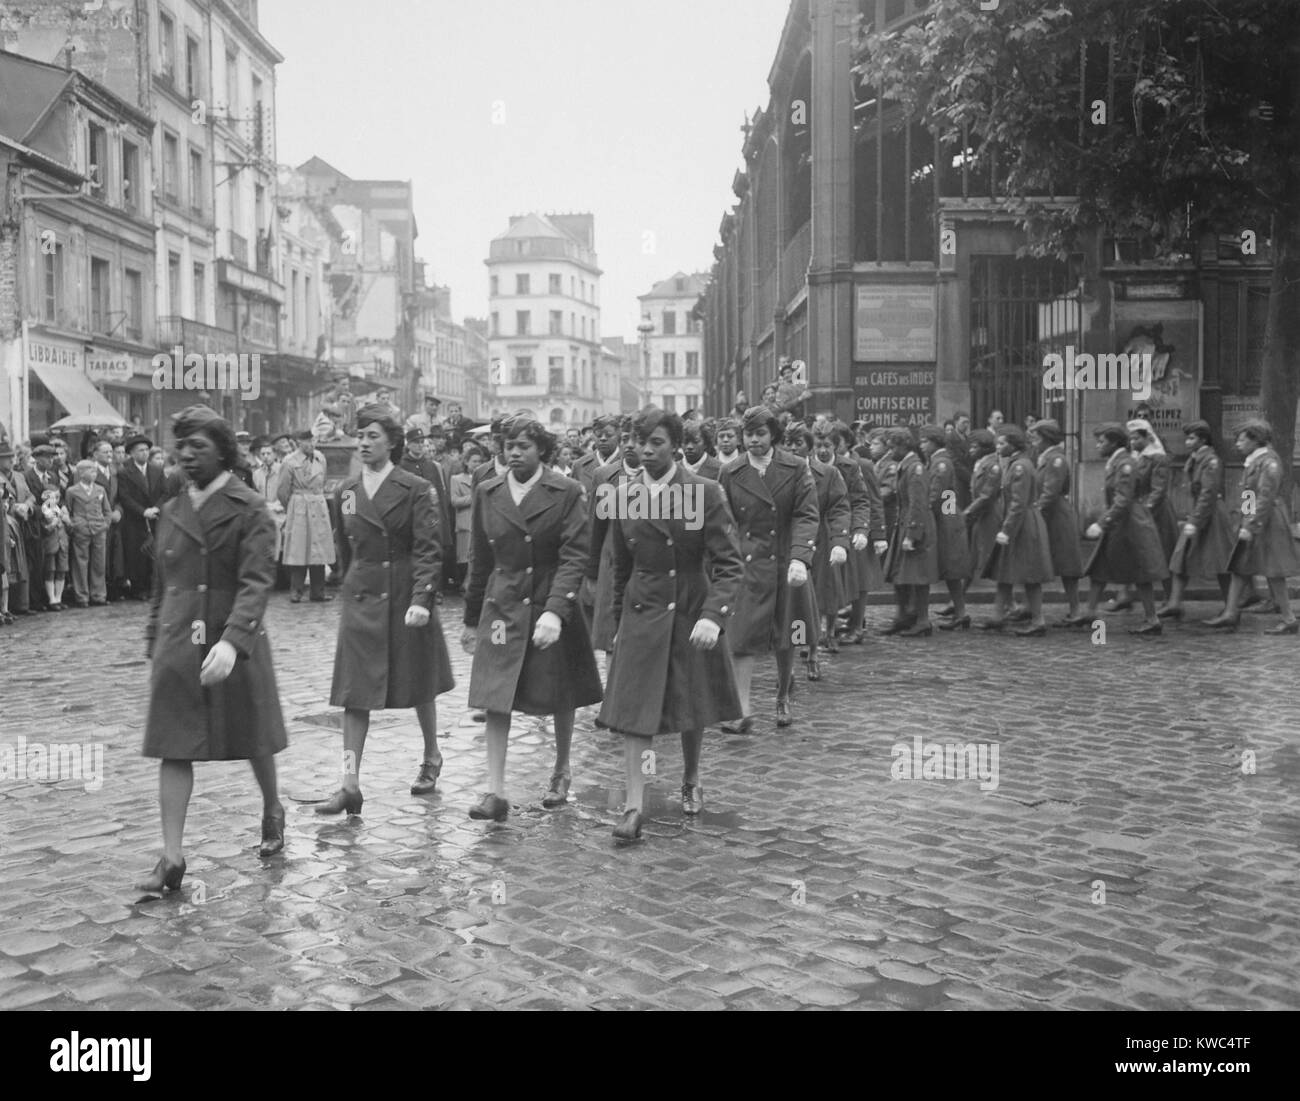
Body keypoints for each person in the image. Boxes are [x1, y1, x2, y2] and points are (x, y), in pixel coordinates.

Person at [136, 406, 289, 895]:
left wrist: (234, 639)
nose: (186, 455)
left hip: (233, 642)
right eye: (181, 446)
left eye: (198, 446)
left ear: (223, 451)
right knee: (172, 745)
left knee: (253, 736)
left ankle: (272, 808)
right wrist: (154, 636)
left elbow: (257, 581)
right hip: (180, 641)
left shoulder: (250, 508)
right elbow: (162, 582)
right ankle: (172, 857)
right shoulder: (173, 509)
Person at [598, 407, 744, 842]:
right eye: (641, 441)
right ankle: (635, 804)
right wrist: (617, 621)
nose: (646, 450)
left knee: (689, 703)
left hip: (689, 610)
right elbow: (621, 565)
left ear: (676, 445)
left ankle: (692, 775)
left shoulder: (704, 493)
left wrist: (713, 617)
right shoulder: (624, 494)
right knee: (635, 714)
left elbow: (729, 563)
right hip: (642, 611)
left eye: (656, 442)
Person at [461, 416, 602, 821]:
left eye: (523, 445)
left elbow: (576, 555)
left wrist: (557, 611)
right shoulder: (488, 491)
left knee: (561, 692)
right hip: (502, 607)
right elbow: (480, 559)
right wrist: (471, 619)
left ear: (542, 449)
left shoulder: (567, 492)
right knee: (495, 694)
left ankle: (561, 769)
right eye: (508, 445)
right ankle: (495, 790)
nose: (514, 452)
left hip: (549, 603)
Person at [318, 404, 455, 814]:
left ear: (392, 443)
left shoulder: (416, 488)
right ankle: (349, 782)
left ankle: (432, 755)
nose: (363, 442)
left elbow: (430, 549)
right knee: (353, 693)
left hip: (402, 595)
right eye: (360, 435)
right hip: (362, 597)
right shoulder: (346, 492)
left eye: (372, 435)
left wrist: (421, 599)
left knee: (419, 681)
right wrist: (349, 585)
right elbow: (346, 550)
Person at [718, 405, 819, 729]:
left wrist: (800, 557)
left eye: (760, 434)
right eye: (748, 434)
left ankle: (783, 696)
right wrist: (725, 557)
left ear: (773, 435)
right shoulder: (731, 472)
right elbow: (724, 519)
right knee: (741, 636)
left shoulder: (795, 467)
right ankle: (741, 708)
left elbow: (806, 513)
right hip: (747, 565)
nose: (753, 441)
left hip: (785, 563)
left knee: (786, 633)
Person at [1203, 419, 1299, 634]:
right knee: (1240, 566)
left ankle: (1288, 618)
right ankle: (1230, 612)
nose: (1237, 443)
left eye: (1241, 439)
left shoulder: (1269, 462)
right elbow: (1249, 495)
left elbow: (1265, 497)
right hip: (1255, 521)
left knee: (1274, 571)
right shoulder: (1253, 461)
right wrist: (1245, 519)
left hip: (1269, 522)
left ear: (1256, 440)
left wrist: (1251, 524)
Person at [1074, 423, 1169, 635]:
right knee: (1100, 567)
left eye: (1102, 442)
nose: (1098, 446)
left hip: (1130, 523)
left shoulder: (1125, 463)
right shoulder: (1116, 461)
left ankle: (1152, 619)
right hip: (1121, 522)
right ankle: (1090, 611)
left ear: (1114, 442)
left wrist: (1101, 523)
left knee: (1141, 570)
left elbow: (1123, 499)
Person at [976, 425, 1055, 635]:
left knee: (1030, 574)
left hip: (1023, 524)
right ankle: (997, 616)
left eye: (1002, 443)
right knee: (1004, 572)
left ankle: (1038, 621)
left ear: (1013, 445)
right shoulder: (1015, 463)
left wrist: (1007, 530)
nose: (998, 447)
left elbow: (1018, 503)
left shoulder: (1020, 466)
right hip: (1018, 522)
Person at [787, 424, 849, 680]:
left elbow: (839, 507)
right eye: (788, 443)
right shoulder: (780, 472)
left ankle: (813, 653)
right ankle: (797, 645)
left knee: (818, 595)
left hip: (819, 541)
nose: (792, 448)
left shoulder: (828, 473)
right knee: (794, 599)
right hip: (790, 540)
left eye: (798, 443)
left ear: (809, 447)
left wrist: (839, 541)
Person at [1159, 421, 1234, 621]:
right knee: (1180, 557)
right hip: (1199, 514)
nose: (1187, 441)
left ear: (1202, 439)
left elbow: (1208, 494)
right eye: (1187, 437)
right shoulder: (1196, 459)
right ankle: (1175, 602)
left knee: (1221, 562)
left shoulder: (1211, 461)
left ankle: (1231, 608)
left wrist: (1195, 521)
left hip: (1212, 516)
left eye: (1192, 438)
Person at [584, 416, 645, 658]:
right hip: (613, 564)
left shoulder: (661, 479)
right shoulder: (603, 476)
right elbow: (595, 528)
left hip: (646, 564)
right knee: (612, 636)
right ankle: (612, 694)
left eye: (636, 439)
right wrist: (591, 572)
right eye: (625, 439)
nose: (629, 445)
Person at [830, 422, 887, 643]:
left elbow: (873, 500)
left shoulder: (861, 464)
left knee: (860, 582)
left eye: (838, 441)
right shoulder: (828, 463)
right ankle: (841, 624)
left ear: (847, 441)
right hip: (837, 529)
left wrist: (878, 535)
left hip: (858, 530)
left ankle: (857, 627)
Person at [880, 428, 939, 637]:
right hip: (904, 522)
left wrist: (912, 534)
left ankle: (923, 619)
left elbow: (917, 503)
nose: (890, 450)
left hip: (915, 525)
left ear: (903, 446)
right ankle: (903, 615)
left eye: (893, 446)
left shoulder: (915, 468)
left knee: (918, 576)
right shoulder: (906, 466)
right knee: (900, 573)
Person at [1028, 419, 1084, 626]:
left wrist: (1034, 512)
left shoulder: (1056, 460)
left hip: (1057, 516)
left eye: (1035, 437)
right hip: (1048, 515)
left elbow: (1050, 492)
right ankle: (1031, 608)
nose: (1033, 441)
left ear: (1045, 438)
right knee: (1039, 561)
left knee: (1067, 564)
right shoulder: (1044, 457)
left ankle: (1076, 610)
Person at [919, 425, 971, 631]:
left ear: (933, 442)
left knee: (952, 569)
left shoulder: (940, 463)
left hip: (946, 520)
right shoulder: (940, 461)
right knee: (951, 571)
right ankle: (960, 612)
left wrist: (926, 512)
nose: (921, 445)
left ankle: (961, 612)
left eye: (924, 441)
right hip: (947, 516)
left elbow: (937, 493)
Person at [277, 429, 336, 603]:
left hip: (318, 505)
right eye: (307, 442)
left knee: (319, 550)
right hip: (299, 506)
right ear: (298, 443)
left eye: (313, 440)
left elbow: (323, 481)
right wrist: (293, 507)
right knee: (299, 550)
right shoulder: (289, 462)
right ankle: (296, 591)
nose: (311, 444)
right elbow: (282, 491)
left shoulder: (320, 458)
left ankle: (318, 591)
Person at [117, 434, 166, 601]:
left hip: (155, 517)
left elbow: (165, 492)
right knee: (136, 553)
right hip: (135, 519)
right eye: (140, 450)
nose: (144, 453)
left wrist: (157, 508)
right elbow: (124, 497)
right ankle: (139, 587)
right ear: (132, 453)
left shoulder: (157, 470)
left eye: (146, 450)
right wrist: (143, 511)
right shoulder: (124, 472)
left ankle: (153, 587)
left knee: (154, 552)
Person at [67, 459, 113, 608]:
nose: (94, 473)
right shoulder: (72, 491)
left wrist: (105, 524)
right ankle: (82, 596)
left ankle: (98, 595)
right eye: (91, 470)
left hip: (99, 529)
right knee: (80, 563)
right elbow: (68, 510)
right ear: (81, 473)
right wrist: (74, 525)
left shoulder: (100, 490)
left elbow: (107, 510)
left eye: (95, 471)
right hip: (82, 530)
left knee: (99, 563)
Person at [449, 445, 484, 590]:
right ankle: (465, 583)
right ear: (466, 462)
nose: (477, 464)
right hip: (465, 521)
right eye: (474, 461)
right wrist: (473, 497)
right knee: (465, 557)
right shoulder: (456, 479)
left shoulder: (484, 479)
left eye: (479, 461)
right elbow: (454, 501)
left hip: (481, 521)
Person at [572, 415, 619, 497]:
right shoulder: (579, 466)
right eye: (599, 435)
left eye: (609, 435)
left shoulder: (628, 464)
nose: (603, 439)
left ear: (618, 436)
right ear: (593, 436)